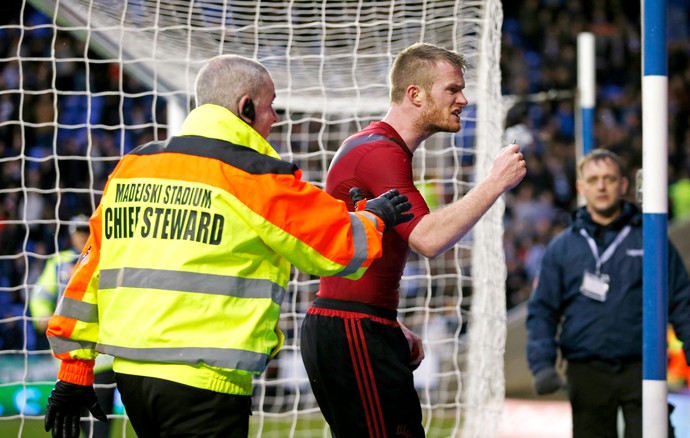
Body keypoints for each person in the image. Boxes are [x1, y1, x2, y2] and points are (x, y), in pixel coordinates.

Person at [42, 53, 414, 438]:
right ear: (246, 106)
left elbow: (89, 272)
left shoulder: (133, 165)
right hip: (206, 381)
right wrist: (375, 216)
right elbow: (338, 249)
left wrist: (75, 370)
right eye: (272, 107)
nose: (276, 119)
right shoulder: (251, 172)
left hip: (133, 379)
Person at [299, 42, 527, 437]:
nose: (463, 99)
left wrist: (388, 324)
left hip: (362, 321)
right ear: (415, 94)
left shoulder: (379, 147)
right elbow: (427, 238)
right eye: (452, 89)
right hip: (352, 326)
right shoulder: (379, 152)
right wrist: (494, 182)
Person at [526, 149, 690, 438]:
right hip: (586, 370)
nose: (601, 186)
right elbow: (542, 310)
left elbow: (682, 300)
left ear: (624, 185)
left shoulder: (651, 238)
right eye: (594, 179)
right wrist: (542, 363)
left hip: (643, 367)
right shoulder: (563, 248)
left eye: (609, 178)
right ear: (581, 187)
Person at [30, 215, 115, 438]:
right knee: (73, 421)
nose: (80, 237)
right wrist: (42, 315)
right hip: (70, 356)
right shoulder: (59, 262)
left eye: (84, 232)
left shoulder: (107, 257)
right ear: (71, 236)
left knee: (100, 420)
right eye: (77, 233)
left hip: (103, 357)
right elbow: (41, 294)